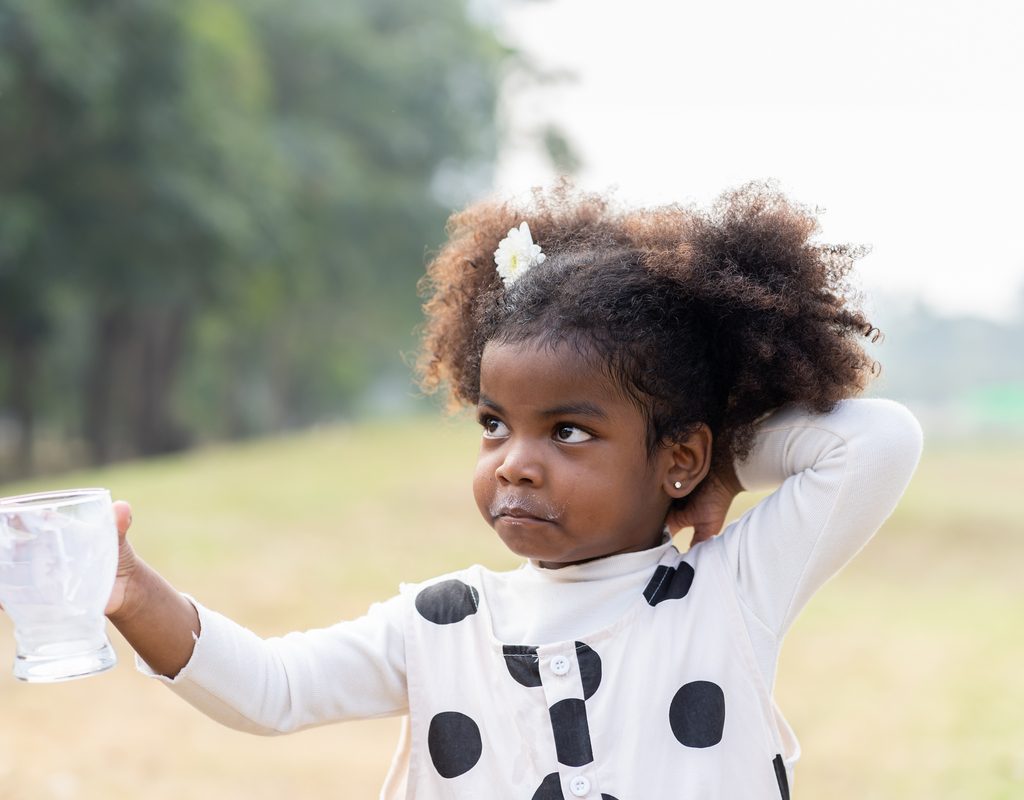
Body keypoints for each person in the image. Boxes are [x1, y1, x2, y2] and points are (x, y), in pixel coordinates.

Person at [104, 182, 922, 799]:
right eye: (496, 424)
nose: (514, 463)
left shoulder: (728, 593)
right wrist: (135, 594)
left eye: (568, 431)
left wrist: (723, 469)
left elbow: (876, 442)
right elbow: (271, 692)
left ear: (676, 455)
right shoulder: (440, 625)